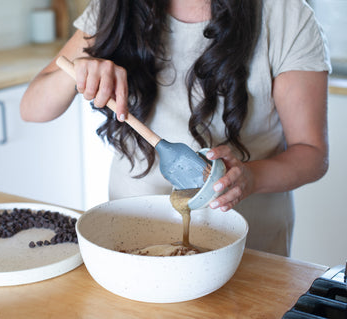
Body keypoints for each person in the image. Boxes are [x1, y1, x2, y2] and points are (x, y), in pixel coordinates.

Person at [20, 0, 331, 256]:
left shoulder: (285, 16)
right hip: (132, 242)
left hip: (250, 254)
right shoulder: (115, 8)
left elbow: (312, 153)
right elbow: (31, 107)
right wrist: (79, 71)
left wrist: (249, 178)